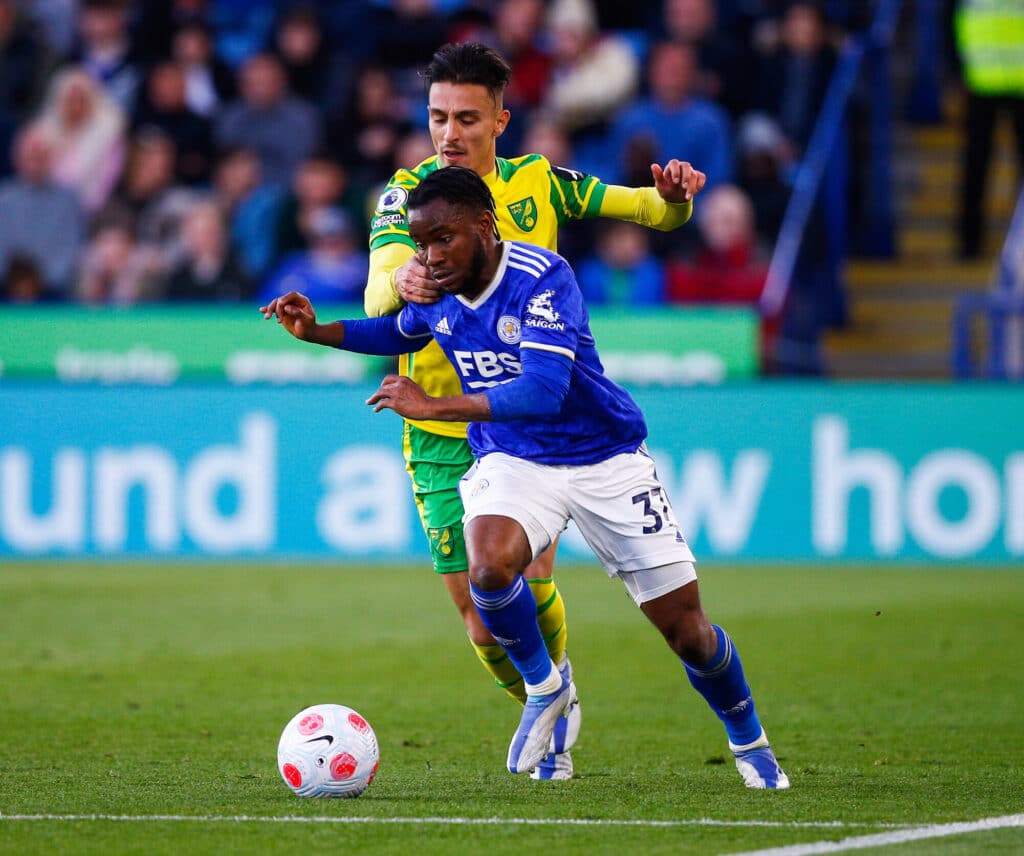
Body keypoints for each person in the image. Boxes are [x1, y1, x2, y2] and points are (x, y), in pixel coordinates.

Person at [260, 165, 788, 789]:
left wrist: (433, 406)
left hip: (602, 457)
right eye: (421, 243)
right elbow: (398, 328)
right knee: (487, 568)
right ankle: (546, 685)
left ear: (484, 226)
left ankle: (749, 738)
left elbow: (541, 390)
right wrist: (318, 331)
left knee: (688, 632)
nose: (428, 257)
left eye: (442, 240)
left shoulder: (543, 278)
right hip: (515, 458)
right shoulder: (439, 287)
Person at [363, 41, 706, 781]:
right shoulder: (405, 197)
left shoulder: (541, 184)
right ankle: (551, 691)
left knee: (524, 574)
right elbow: (375, 295)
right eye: (436, 118)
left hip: (525, 427)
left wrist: (675, 197)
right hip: (435, 424)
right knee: (481, 625)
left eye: (466, 118)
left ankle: (548, 716)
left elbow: (650, 210)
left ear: (500, 121)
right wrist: (408, 278)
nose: (448, 133)